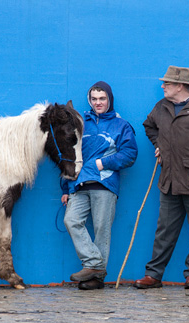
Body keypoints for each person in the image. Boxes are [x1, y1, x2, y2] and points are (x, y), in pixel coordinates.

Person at [134, 66, 189, 290]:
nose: (163, 86)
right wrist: (159, 145)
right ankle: (153, 275)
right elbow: (149, 126)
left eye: (167, 84)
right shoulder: (161, 107)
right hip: (169, 181)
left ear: (180, 86)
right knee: (164, 231)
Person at [62, 81, 138, 290]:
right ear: (89, 100)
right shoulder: (80, 123)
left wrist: (102, 163)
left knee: (101, 230)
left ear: (109, 99)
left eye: (102, 99)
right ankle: (95, 265)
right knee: (71, 220)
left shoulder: (121, 125)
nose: (98, 103)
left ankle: (96, 279)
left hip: (105, 185)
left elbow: (130, 154)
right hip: (79, 185)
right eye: (94, 99)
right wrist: (66, 188)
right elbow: (69, 155)